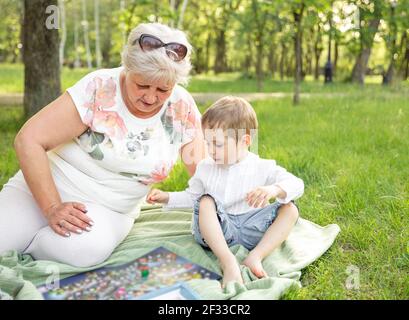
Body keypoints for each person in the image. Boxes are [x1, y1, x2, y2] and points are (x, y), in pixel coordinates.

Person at [0, 23, 205, 267]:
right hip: (42, 188)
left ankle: (30, 246)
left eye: (163, 89)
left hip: (108, 210)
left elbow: (205, 174)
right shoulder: (98, 87)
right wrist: (52, 207)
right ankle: (25, 236)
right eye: (142, 86)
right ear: (127, 68)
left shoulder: (182, 107)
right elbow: (29, 139)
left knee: (81, 250)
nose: (151, 98)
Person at [147, 96, 304, 286]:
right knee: (205, 201)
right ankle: (228, 261)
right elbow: (192, 197)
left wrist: (274, 190)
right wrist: (167, 198)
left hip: (252, 227)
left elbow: (297, 184)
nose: (211, 150)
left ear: (245, 141)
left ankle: (256, 256)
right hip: (218, 230)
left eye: (218, 144)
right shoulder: (206, 167)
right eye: (208, 143)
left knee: (290, 209)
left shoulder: (261, 166)